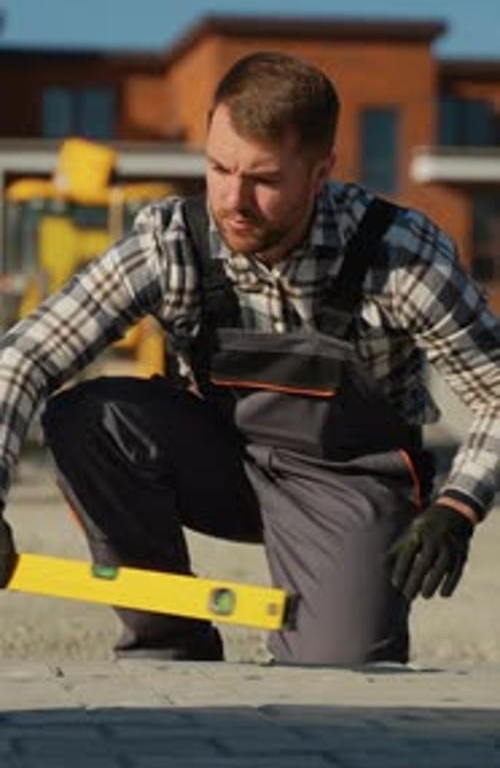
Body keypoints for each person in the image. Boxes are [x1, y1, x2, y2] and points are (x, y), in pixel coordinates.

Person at [0, 51, 498, 666]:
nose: (233, 200)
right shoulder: (173, 242)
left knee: (339, 678)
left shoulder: (400, 257)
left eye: (264, 180)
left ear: (321, 173)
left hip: (347, 486)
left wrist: (458, 506)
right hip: (221, 462)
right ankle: (170, 641)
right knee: (89, 417)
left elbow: (496, 391)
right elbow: (22, 357)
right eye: (218, 168)